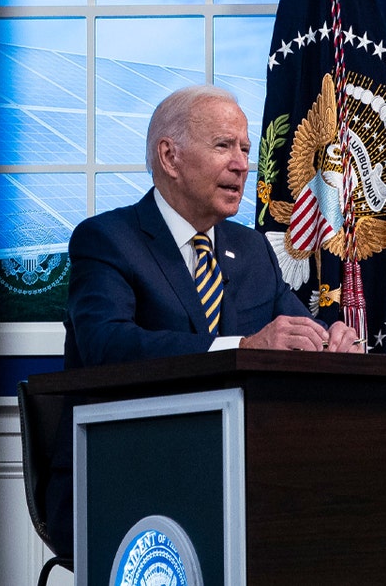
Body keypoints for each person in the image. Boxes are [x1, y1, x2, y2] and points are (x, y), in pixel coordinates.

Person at [44, 84, 364, 558]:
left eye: (245, 149)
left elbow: (294, 337)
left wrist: (333, 344)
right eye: (223, 146)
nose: (241, 164)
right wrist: (241, 349)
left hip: (240, 471)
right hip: (124, 469)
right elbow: (105, 345)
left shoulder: (253, 250)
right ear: (169, 156)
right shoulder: (106, 240)